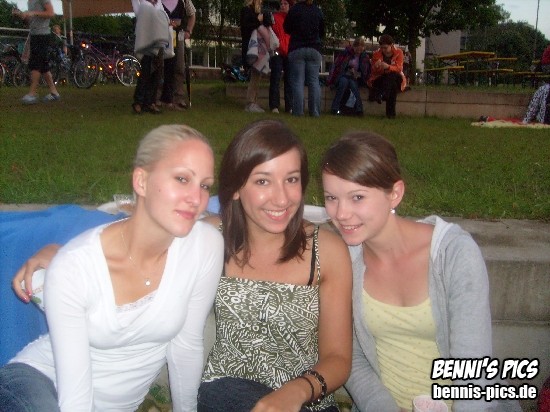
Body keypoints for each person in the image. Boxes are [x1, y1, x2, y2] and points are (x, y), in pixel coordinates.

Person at [0, 124, 224, 411]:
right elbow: (75, 399)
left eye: (205, 185)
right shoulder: (75, 266)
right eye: (182, 179)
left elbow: (187, 345)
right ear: (141, 181)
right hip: (38, 385)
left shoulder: (204, 246)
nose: (196, 199)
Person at [320, 131, 521, 412]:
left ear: (395, 193)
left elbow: (473, 367)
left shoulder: (454, 254)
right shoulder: (345, 259)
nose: (341, 213)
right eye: (331, 197)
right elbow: (352, 356)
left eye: (357, 197)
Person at [197, 119, 352, 411]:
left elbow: (338, 358)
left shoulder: (327, 250)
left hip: (307, 401)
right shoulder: (210, 238)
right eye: (263, 181)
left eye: (291, 179)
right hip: (226, 391)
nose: (281, 199)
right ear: (235, 188)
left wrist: (296, 391)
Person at [13, 0, 61, 104]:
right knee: (43, 66)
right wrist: (22, 15)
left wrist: (33, 13)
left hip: (42, 35)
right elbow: (31, 21)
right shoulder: (30, 1)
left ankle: (32, 94)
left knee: (36, 64)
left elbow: (50, 13)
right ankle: (54, 93)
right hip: (34, 34)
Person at [284, 0, 325, 117]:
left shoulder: (294, 10)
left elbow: (286, 28)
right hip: (314, 48)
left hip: (297, 47)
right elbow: (322, 32)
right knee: (314, 81)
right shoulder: (318, 11)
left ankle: (298, 111)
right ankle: (315, 111)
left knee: (298, 81)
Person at [131, 0, 172, 114]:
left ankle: (150, 102)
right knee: (145, 71)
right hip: (146, 39)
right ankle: (138, 102)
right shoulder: (140, 2)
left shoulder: (159, 3)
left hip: (158, 40)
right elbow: (139, 14)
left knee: (156, 73)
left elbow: (165, 18)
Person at [156, 0, 196, 111]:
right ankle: (157, 97)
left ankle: (178, 97)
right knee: (160, 65)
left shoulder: (184, 1)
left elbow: (192, 15)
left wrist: (189, 31)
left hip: (178, 34)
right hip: (161, 33)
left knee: (179, 66)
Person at [326, 36, 370, 116]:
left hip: (355, 78)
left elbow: (365, 72)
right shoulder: (345, 54)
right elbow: (337, 66)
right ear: (354, 47)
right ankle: (335, 108)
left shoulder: (364, 57)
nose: (358, 52)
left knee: (353, 86)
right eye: (357, 49)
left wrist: (356, 73)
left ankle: (359, 109)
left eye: (361, 50)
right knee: (343, 82)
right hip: (343, 75)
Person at [367, 34, 407, 119]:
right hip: (382, 78)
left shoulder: (399, 52)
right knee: (393, 86)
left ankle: (382, 94)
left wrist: (388, 67)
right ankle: (391, 114)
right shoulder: (376, 54)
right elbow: (373, 72)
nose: (383, 50)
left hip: (396, 77)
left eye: (385, 48)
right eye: (382, 48)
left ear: (391, 45)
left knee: (392, 74)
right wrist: (377, 67)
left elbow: (399, 68)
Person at [240, 0, 269, 113]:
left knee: (257, 75)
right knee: (255, 75)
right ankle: (250, 102)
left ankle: (253, 101)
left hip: (258, 48)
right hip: (251, 48)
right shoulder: (247, 11)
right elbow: (247, 27)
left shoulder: (255, 12)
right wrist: (258, 21)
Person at [268, 0, 293, 114]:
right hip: (278, 51)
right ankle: (274, 105)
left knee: (289, 80)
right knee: (275, 78)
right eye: (281, 4)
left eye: (285, 4)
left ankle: (289, 106)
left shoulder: (293, 18)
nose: (283, 6)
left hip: (289, 51)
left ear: (289, 6)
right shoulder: (275, 17)